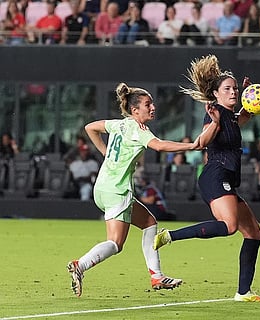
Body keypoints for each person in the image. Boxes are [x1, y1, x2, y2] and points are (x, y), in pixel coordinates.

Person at [66, 82, 201, 297]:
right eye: (148, 104)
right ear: (135, 110)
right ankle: (80, 265)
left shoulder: (120, 124)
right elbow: (160, 146)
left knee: (149, 223)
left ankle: (157, 276)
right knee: (116, 243)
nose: (153, 107)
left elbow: (90, 127)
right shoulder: (138, 130)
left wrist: (105, 153)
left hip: (102, 187)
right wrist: (192, 146)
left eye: (152, 103)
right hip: (118, 190)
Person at [153, 55, 260, 302]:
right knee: (229, 226)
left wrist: (249, 94)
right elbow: (201, 142)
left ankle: (243, 292)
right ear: (215, 94)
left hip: (226, 178)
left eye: (235, 88)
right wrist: (213, 123)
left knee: (254, 233)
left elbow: (246, 115)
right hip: (215, 176)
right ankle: (169, 236)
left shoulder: (232, 116)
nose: (233, 92)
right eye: (228, 89)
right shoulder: (214, 115)